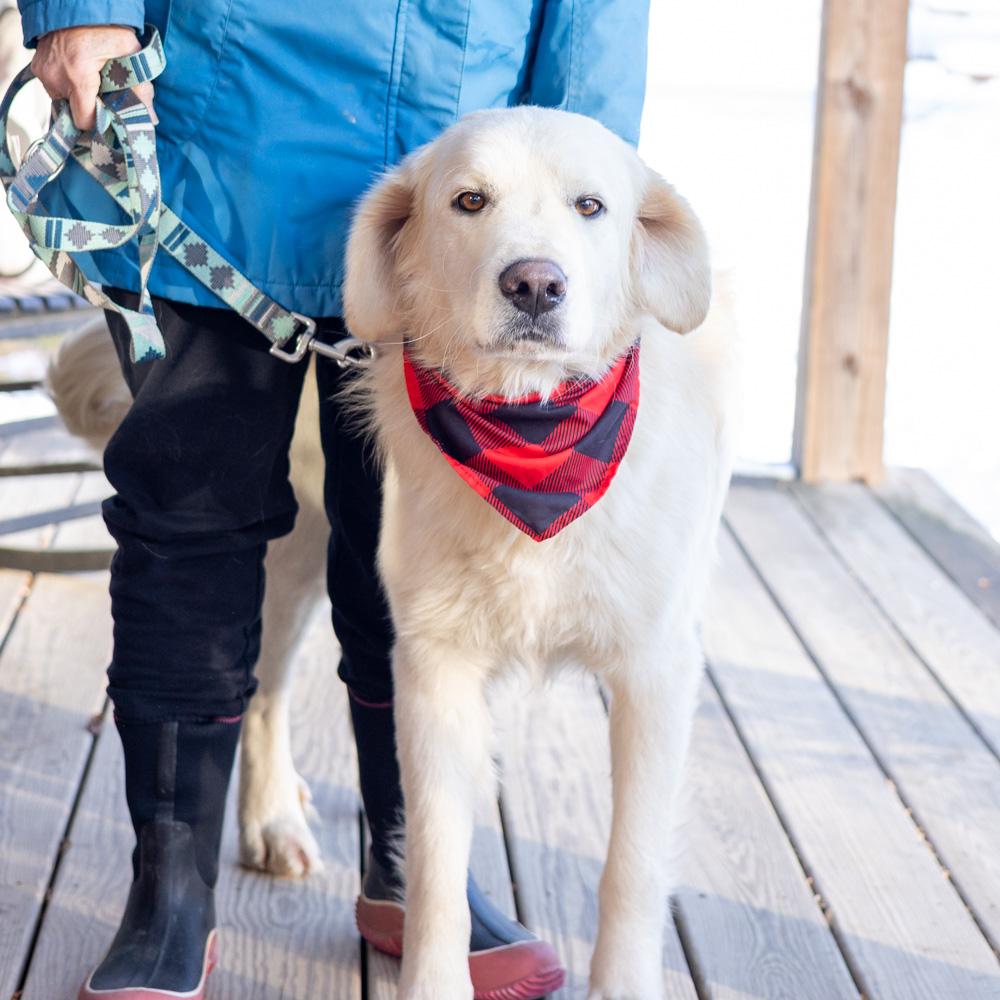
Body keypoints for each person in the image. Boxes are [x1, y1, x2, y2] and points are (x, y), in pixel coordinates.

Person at [16, 2, 649, 997]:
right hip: (220, 129)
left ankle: (415, 875)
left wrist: (586, 167)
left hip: (455, 185)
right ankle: (169, 895)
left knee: (420, 558)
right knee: (187, 524)